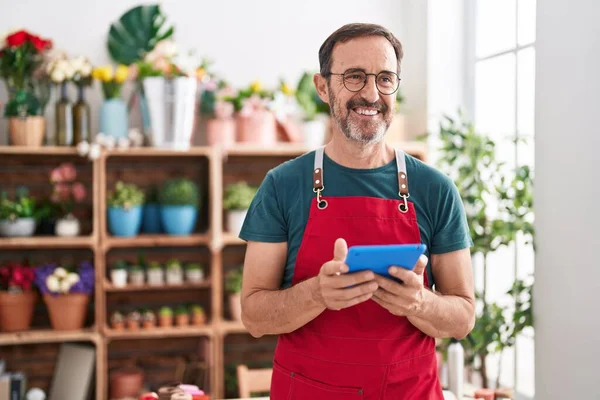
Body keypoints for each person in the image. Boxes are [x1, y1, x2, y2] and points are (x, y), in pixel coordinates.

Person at [238, 22, 475, 400]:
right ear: (322, 86)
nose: (371, 93)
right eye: (354, 77)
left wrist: (419, 302)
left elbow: (463, 318)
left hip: (408, 392)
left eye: (385, 78)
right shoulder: (282, 186)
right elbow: (253, 315)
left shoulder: (435, 189)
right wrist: (317, 293)